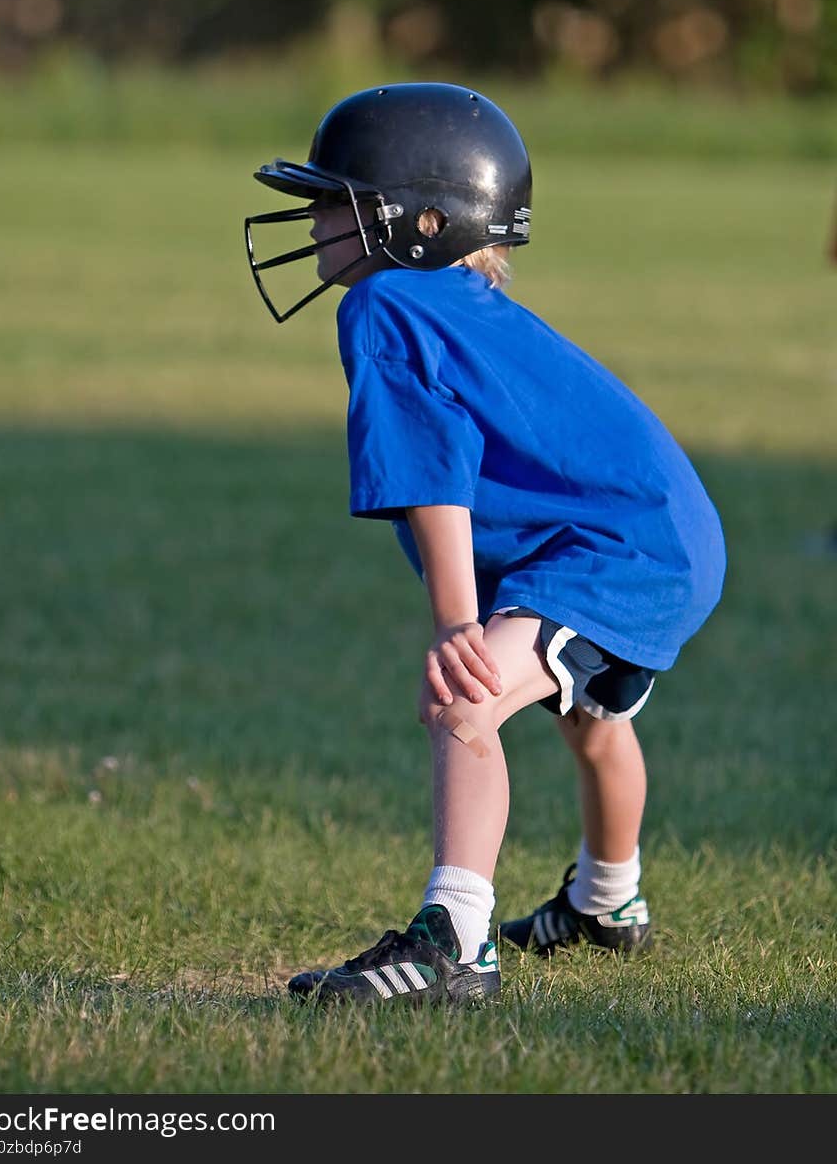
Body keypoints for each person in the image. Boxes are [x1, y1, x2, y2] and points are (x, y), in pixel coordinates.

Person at [244, 82, 727, 1006]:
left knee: (463, 704)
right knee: (595, 721)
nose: (312, 222)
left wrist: (458, 623)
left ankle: (455, 942)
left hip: (616, 548)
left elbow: (436, 469)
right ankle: (605, 903)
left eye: (334, 202)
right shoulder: (448, 297)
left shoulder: (386, 302)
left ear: (419, 222)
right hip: (659, 530)